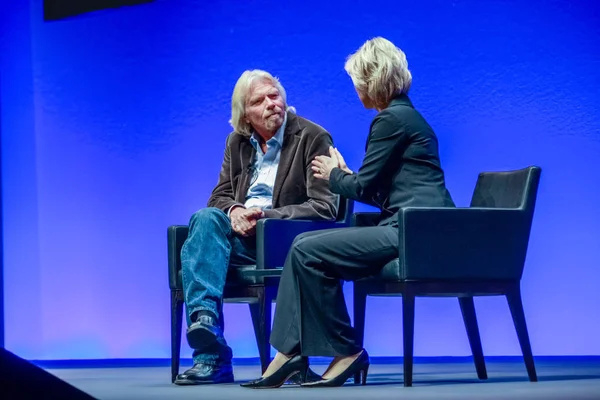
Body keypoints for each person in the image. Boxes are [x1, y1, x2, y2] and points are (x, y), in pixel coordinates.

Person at [241, 37, 455, 389]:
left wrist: (334, 175)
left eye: (357, 82)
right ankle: (289, 354)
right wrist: (348, 178)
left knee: (307, 249)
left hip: (412, 230)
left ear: (372, 81)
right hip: (414, 225)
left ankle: (343, 352)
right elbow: (379, 190)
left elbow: (362, 188)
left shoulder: (390, 121)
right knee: (309, 251)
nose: (356, 91)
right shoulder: (407, 117)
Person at [175, 70, 339, 385]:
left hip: (282, 241)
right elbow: (219, 196)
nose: (271, 104)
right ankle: (206, 328)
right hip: (238, 238)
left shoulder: (312, 137)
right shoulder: (237, 142)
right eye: (259, 101)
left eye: (274, 96)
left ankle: (211, 360)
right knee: (205, 219)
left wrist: (265, 216)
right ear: (245, 115)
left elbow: (324, 207)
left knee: (204, 241)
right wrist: (236, 210)